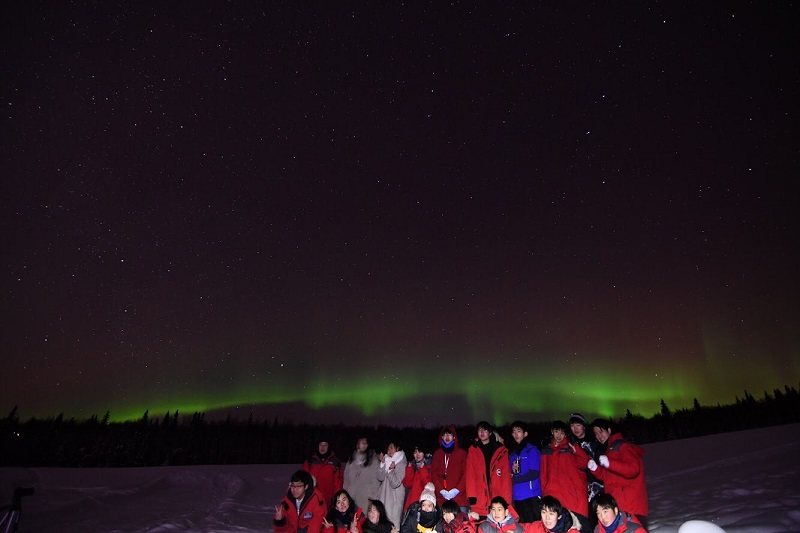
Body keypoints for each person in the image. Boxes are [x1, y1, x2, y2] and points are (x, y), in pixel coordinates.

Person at [588, 420, 648, 530]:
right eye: (596, 434)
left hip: (630, 506)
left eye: (601, 432)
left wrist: (610, 463)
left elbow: (632, 469)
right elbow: (608, 477)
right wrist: (596, 469)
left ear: (609, 430)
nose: (599, 436)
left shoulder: (622, 445)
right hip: (618, 505)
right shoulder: (608, 450)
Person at [540, 421, 590, 530]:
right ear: (552, 432)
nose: (559, 435)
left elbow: (586, 463)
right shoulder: (546, 450)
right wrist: (545, 494)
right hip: (553, 495)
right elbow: (543, 475)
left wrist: (576, 450)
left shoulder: (571, 446)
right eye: (556, 432)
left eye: (562, 433)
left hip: (572, 497)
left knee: (576, 527)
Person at [466, 421, 513, 520]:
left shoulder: (500, 449)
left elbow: (505, 476)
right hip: (480, 495)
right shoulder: (473, 449)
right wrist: (472, 496)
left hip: (496, 492)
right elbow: (470, 474)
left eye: (485, 430)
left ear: (490, 433)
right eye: (480, 430)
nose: (482, 433)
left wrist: (506, 499)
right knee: (481, 525)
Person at [568, 413, 603, 530]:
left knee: (601, 520)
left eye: (578, 425)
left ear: (584, 426)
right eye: (572, 425)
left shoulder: (595, 442)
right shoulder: (570, 444)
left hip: (597, 488)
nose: (575, 429)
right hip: (580, 491)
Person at [508, 421, 542, 523]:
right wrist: (512, 471)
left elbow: (534, 473)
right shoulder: (513, 454)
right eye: (514, 432)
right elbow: (510, 474)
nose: (516, 434)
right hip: (517, 496)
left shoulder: (531, 450)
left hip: (531, 495)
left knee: (535, 526)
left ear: (525, 434)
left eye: (519, 431)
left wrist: (515, 478)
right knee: (522, 526)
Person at [432, 425, 469, 512]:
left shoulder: (462, 453)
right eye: (445, 435)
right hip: (442, 499)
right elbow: (434, 474)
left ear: (454, 437)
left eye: (449, 435)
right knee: (443, 524)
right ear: (441, 437)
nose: (447, 437)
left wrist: (457, 490)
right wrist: (441, 490)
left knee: (461, 524)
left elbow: (466, 474)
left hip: (459, 499)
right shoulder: (438, 454)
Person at [345, 436, 383, 513]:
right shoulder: (351, 461)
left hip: (365, 499)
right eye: (358, 443)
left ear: (367, 445)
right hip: (351, 498)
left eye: (363, 443)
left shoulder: (374, 461)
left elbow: (376, 481)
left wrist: (372, 497)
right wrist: (346, 495)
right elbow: (346, 479)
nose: (359, 445)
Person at [376, 439, 408, 529]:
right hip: (383, 498)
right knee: (382, 524)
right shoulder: (387, 459)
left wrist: (390, 470)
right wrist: (382, 464)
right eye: (388, 449)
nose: (389, 451)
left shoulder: (402, 462)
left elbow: (396, 483)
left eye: (391, 448)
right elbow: (380, 477)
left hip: (394, 501)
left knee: (393, 525)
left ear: (397, 448)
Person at [305, 436, 345, 506]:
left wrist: (336, 499)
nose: (322, 447)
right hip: (312, 500)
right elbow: (303, 480)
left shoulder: (335, 462)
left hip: (329, 501)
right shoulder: (310, 461)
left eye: (325, 445)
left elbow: (338, 484)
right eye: (321, 445)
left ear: (328, 447)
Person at [404, 443, 433, 510]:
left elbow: (428, 484)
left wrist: (423, 469)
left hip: (424, 503)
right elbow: (408, 484)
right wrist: (409, 469)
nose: (417, 454)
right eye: (415, 452)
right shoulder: (413, 466)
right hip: (412, 502)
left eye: (420, 452)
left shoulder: (430, 467)